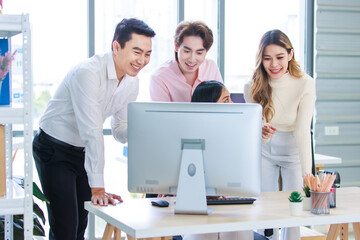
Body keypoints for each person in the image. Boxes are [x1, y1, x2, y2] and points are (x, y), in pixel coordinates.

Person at [32, 18, 155, 240]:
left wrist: (140, 131)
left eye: (147, 54)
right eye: (137, 52)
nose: (142, 60)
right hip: (54, 148)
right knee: (66, 227)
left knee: (80, 225)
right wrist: (98, 187)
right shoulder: (88, 72)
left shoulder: (131, 82)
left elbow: (119, 128)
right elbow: (92, 131)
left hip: (81, 152)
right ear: (116, 47)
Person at [244, 29, 316, 240]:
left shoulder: (305, 83)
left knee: (294, 209)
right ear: (261, 60)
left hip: (293, 149)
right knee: (265, 208)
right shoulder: (252, 86)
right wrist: (263, 132)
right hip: (265, 150)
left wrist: (307, 174)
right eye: (267, 59)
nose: (274, 64)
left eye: (279, 57)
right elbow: (257, 134)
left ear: (290, 55)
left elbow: (303, 130)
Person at [150, 20, 223, 102]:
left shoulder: (211, 67)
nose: (192, 59)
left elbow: (221, 104)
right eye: (187, 51)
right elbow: (160, 114)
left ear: (207, 51)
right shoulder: (159, 77)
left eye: (199, 53)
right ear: (176, 46)